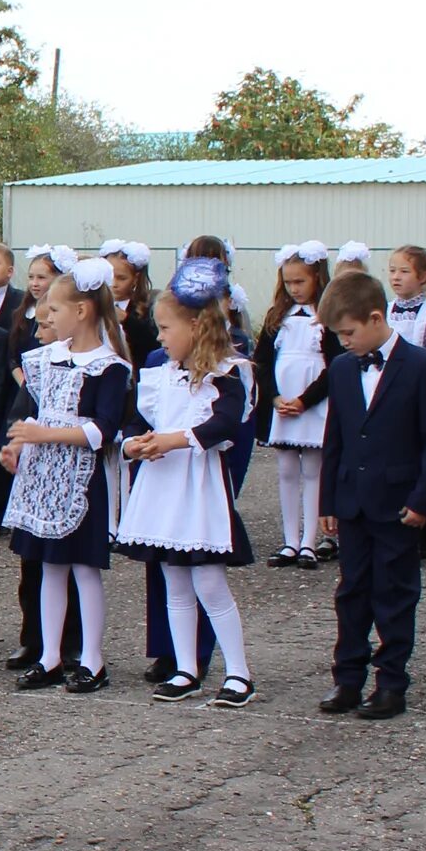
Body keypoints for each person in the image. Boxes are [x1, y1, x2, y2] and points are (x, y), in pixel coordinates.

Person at [116, 259, 258, 706]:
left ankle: (238, 672)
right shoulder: (161, 373)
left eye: (165, 328)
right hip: (162, 485)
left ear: (196, 326)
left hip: (197, 486)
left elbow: (225, 425)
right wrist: (134, 444)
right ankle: (185, 668)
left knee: (210, 583)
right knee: (174, 581)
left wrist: (175, 440)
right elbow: (139, 419)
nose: (159, 338)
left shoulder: (227, 372)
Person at [317, 270, 426, 721]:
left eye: (349, 333)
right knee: (351, 590)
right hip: (353, 500)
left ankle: (391, 681)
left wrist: (423, 501)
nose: (343, 343)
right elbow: (334, 437)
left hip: (398, 503)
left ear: (376, 318)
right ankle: (348, 678)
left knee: (394, 592)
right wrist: (327, 502)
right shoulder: (341, 368)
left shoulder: (423, 365)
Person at [2, 262, 133, 694]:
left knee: (83, 568)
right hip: (43, 475)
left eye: (54, 309)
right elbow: (32, 410)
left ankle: (92, 660)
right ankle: (50, 655)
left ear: (81, 310)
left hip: (82, 477)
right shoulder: (45, 359)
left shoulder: (108, 367)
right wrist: (19, 444)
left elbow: (104, 429)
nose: (48, 318)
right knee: (49, 568)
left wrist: (46, 434)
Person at [253, 242, 337, 568]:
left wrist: (305, 400)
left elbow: (334, 366)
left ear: (317, 277)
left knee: (313, 470)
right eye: (289, 282)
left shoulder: (327, 317)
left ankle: (309, 542)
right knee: (287, 470)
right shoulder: (278, 317)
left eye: (300, 282)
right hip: (282, 406)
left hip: (313, 405)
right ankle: (289, 540)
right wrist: (275, 398)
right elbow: (261, 361)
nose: (294, 288)